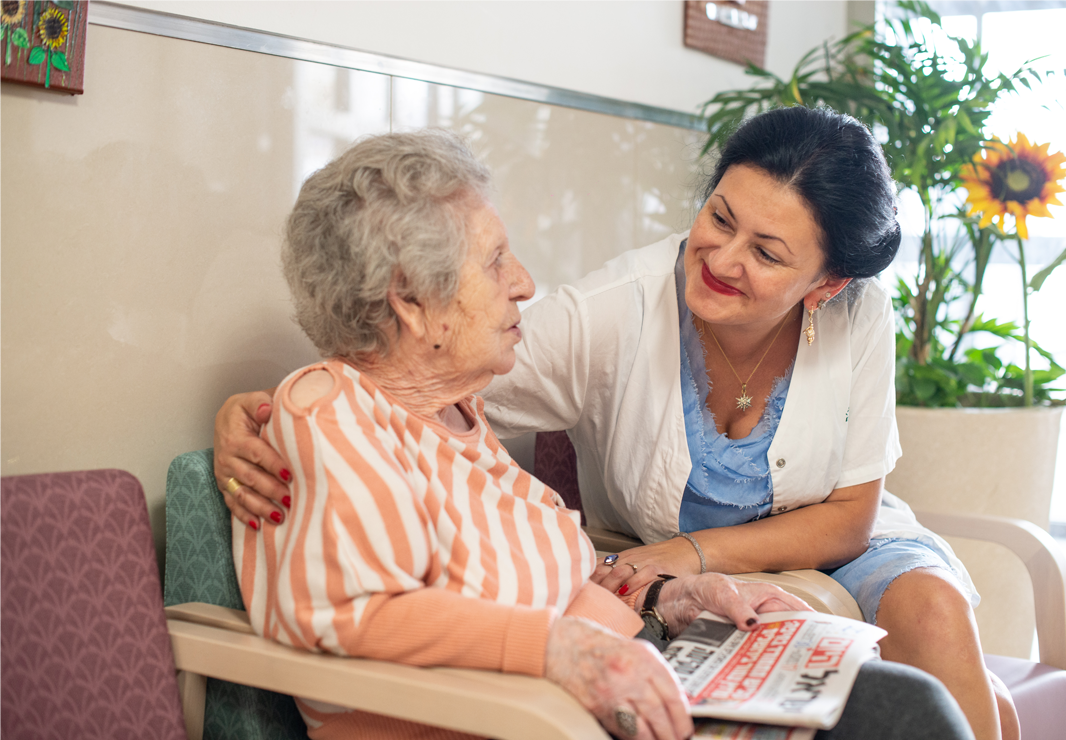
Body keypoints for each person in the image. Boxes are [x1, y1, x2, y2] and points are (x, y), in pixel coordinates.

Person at [216, 125, 981, 740]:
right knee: (901, 717)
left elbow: (535, 574)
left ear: (825, 285)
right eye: (496, 260)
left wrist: (676, 595)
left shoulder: (456, 410)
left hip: (632, 667)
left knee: (911, 706)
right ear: (414, 303)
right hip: (543, 713)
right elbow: (348, 603)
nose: (524, 282)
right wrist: (265, 409)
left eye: (769, 251)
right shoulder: (342, 415)